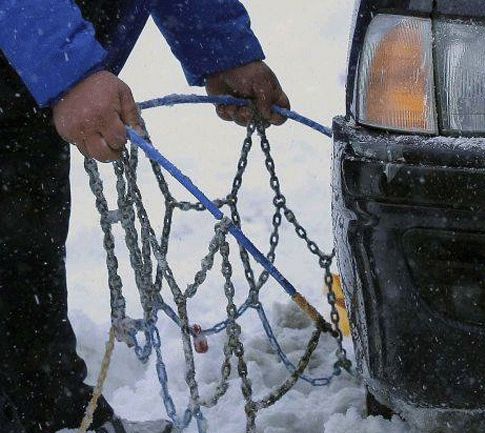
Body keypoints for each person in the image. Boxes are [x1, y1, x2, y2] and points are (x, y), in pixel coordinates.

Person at [0, 1, 290, 432]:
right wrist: (67, 67)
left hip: (21, 84)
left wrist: (221, 46)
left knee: (23, 250)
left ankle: (48, 414)